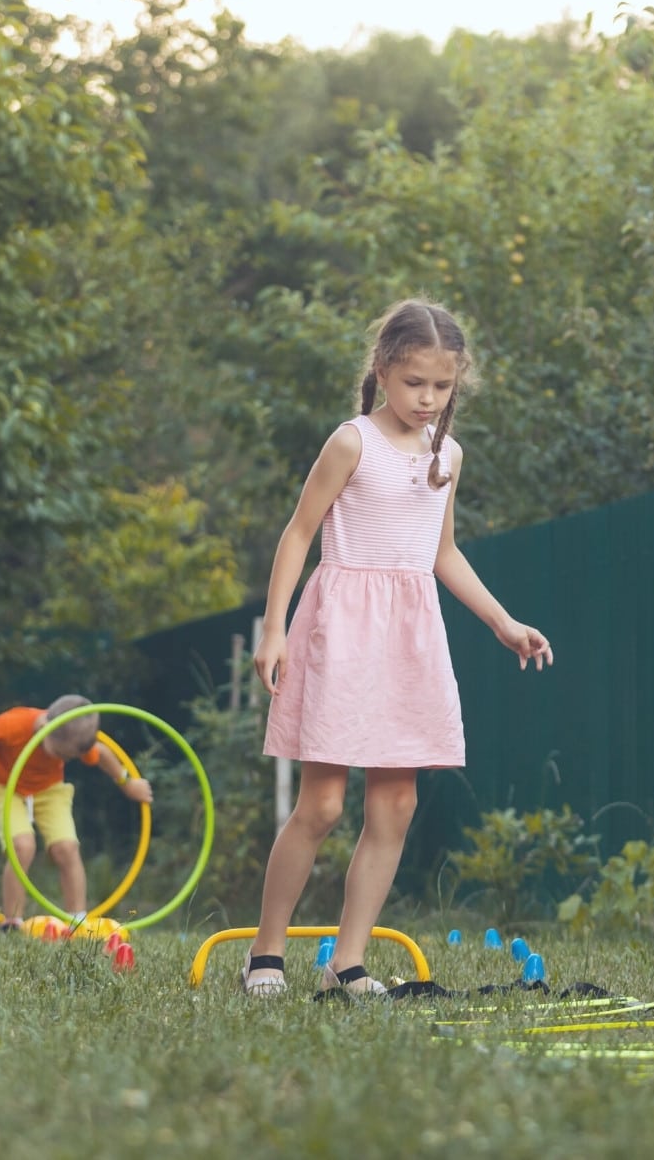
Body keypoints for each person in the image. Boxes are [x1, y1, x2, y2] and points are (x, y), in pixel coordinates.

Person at [245, 298, 554, 997]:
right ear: (382, 370)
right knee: (323, 806)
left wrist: (503, 622)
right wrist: (274, 627)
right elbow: (299, 533)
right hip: (343, 633)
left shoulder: (448, 455)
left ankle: (346, 962)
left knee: (395, 807)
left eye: (442, 385)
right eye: (415, 382)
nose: (428, 398)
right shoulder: (351, 442)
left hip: (410, 641)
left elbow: (441, 553)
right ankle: (265, 954)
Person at [0, 696, 154, 929]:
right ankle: (12, 922)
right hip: (3, 786)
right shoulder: (14, 723)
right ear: (46, 727)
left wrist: (127, 783)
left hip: (49, 791)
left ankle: (77, 920)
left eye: (68, 757)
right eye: (60, 754)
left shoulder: (72, 737)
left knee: (67, 847)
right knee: (22, 846)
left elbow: (100, 753)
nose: (63, 759)